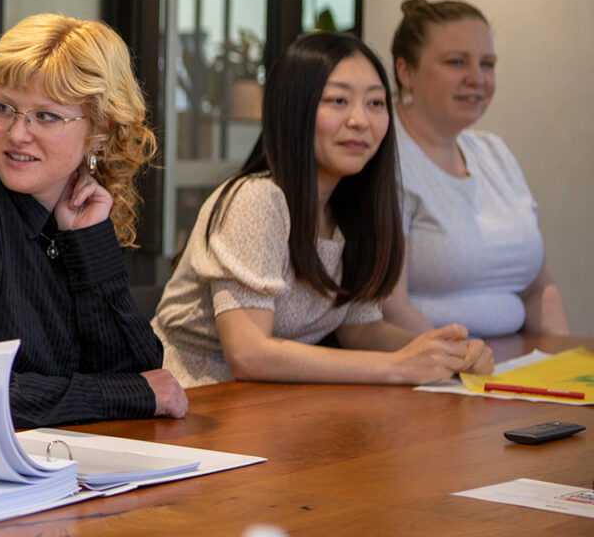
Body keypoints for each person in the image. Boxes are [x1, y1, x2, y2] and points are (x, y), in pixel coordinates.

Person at [0, 14, 187, 429]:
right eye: (4, 107)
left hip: (62, 465)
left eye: (45, 116)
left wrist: (89, 243)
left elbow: (139, 370)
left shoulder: (73, 212)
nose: (16, 134)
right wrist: (126, 394)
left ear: (99, 130)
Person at [152, 31, 494, 387]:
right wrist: (397, 368)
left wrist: (444, 355)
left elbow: (359, 329)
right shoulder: (256, 199)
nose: (360, 120)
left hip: (274, 409)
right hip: (189, 407)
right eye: (338, 101)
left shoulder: (353, 208)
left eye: (375, 104)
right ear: (294, 109)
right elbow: (249, 355)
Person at [381, 0, 568, 337]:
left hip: (517, 369)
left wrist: (565, 370)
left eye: (488, 64)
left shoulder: (495, 153)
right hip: (436, 372)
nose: (477, 78)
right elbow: (391, 311)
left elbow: (541, 290)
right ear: (405, 71)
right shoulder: (385, 162)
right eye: (456, 62)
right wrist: (464, 367)